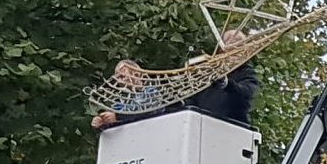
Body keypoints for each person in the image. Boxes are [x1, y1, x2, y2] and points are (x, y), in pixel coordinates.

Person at [91, 31, 259, 130]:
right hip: (200, 129)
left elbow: (246, 93)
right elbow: (183, 101)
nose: (124, 79)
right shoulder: (207, 73)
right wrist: (108, 122)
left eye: (235, 46)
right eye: (226, 45)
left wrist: (226, 84)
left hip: (228, 129)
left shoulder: (245, 73)